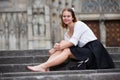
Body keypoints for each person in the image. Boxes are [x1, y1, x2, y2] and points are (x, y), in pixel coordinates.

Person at [27, 8, 114, 72]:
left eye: (68, 16)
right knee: (64, 44)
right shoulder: (66, 34)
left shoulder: (79, 24)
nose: (66, 18)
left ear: (73, 17)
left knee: (66, 48)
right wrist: (56, 48)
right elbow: (68, 45)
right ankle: (46, 67)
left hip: (94, 50)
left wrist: (55, 48)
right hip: (83, 51)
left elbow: (73, 42)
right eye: (64, 16)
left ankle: (43, 66)